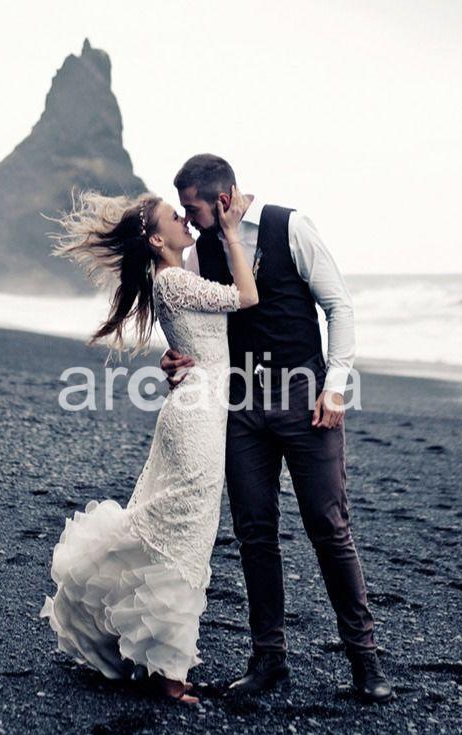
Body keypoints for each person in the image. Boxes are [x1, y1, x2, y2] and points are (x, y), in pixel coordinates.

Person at [163, 153, 394, 702]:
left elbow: (338, 306)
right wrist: (173, 359)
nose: (187, 218)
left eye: (192, 208)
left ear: (222, 199)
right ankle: (269, 660)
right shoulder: (200, 251)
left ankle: (365, 661)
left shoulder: (290, 226)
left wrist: (335, 386)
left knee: (329, 528)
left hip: (304, 398)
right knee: (254, 533)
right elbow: (197, 326)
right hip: (240, 405)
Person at [38, 188, 258, 704]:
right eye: (174, 217)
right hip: (196, 418)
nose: (185, 221)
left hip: (197, 411)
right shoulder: (175, 280)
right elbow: (247, 298)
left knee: (178, 533)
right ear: (157, 240)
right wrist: (230, 231)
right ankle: (168, 671)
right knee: (184, 539)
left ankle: (160, 661)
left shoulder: (174, 278)